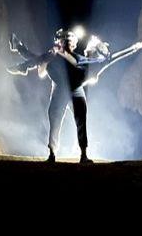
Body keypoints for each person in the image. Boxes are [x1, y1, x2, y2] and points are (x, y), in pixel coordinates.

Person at [7, 26, 110, 163]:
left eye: (69, 41)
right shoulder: (53, 56)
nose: (66, 44)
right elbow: (37, 60)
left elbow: (96, 62)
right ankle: (54, 154)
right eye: (64, 41)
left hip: (74, 90)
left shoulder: (71, 57)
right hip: (61, 91)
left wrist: (102, 51)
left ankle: (81, 154)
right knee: (57, 122)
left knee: (79, 120)